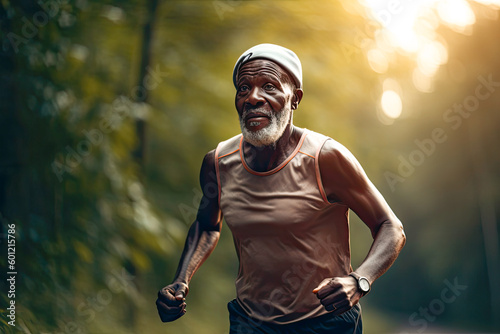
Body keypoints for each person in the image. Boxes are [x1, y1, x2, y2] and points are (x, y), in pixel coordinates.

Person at [156, 43, 406, 333]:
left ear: (295, 98)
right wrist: (181, 279)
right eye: (243, 88)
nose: (253, 98)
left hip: (325, 323)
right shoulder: (218, 163)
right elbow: (207, 225)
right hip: (249, 322)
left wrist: (359, 280)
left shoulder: (325, 158)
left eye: (269, 86)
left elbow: (391, 227)